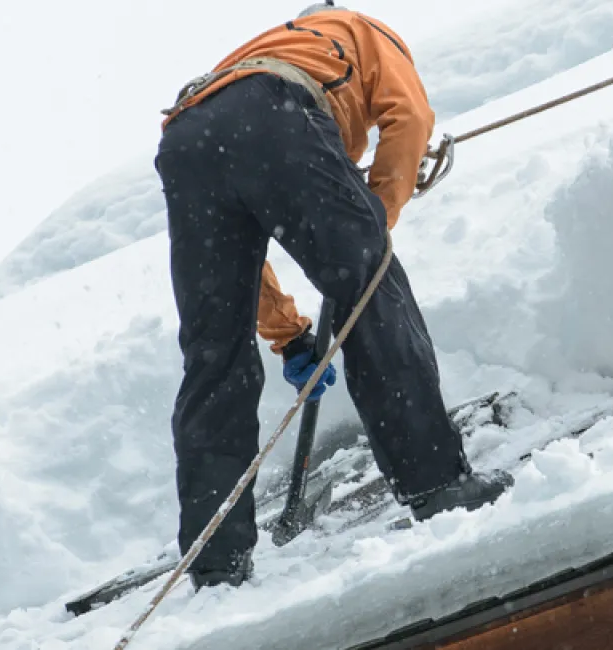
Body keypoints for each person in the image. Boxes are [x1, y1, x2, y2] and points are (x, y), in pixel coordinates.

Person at [153, 2, 512, 590]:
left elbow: (244, 257)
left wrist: (289, 335)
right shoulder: (361, 30)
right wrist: (375, 222)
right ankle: (436, 483)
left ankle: (216, 562)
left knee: (213, 352)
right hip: (274, 112)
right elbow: (411, 118)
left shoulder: (250, 58)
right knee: (370, 290)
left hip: (187, 140)